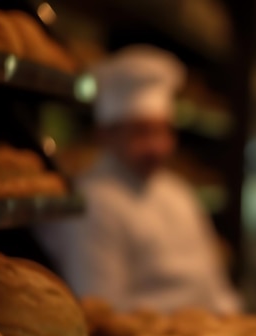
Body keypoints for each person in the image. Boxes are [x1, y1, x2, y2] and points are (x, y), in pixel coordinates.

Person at [34, 44, 242, 315]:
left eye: (164, 132)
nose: (158, 147)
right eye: (141, 133)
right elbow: (104, 314)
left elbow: (217, 290)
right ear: (105, 135)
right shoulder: (91, 202)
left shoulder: (180, 193)